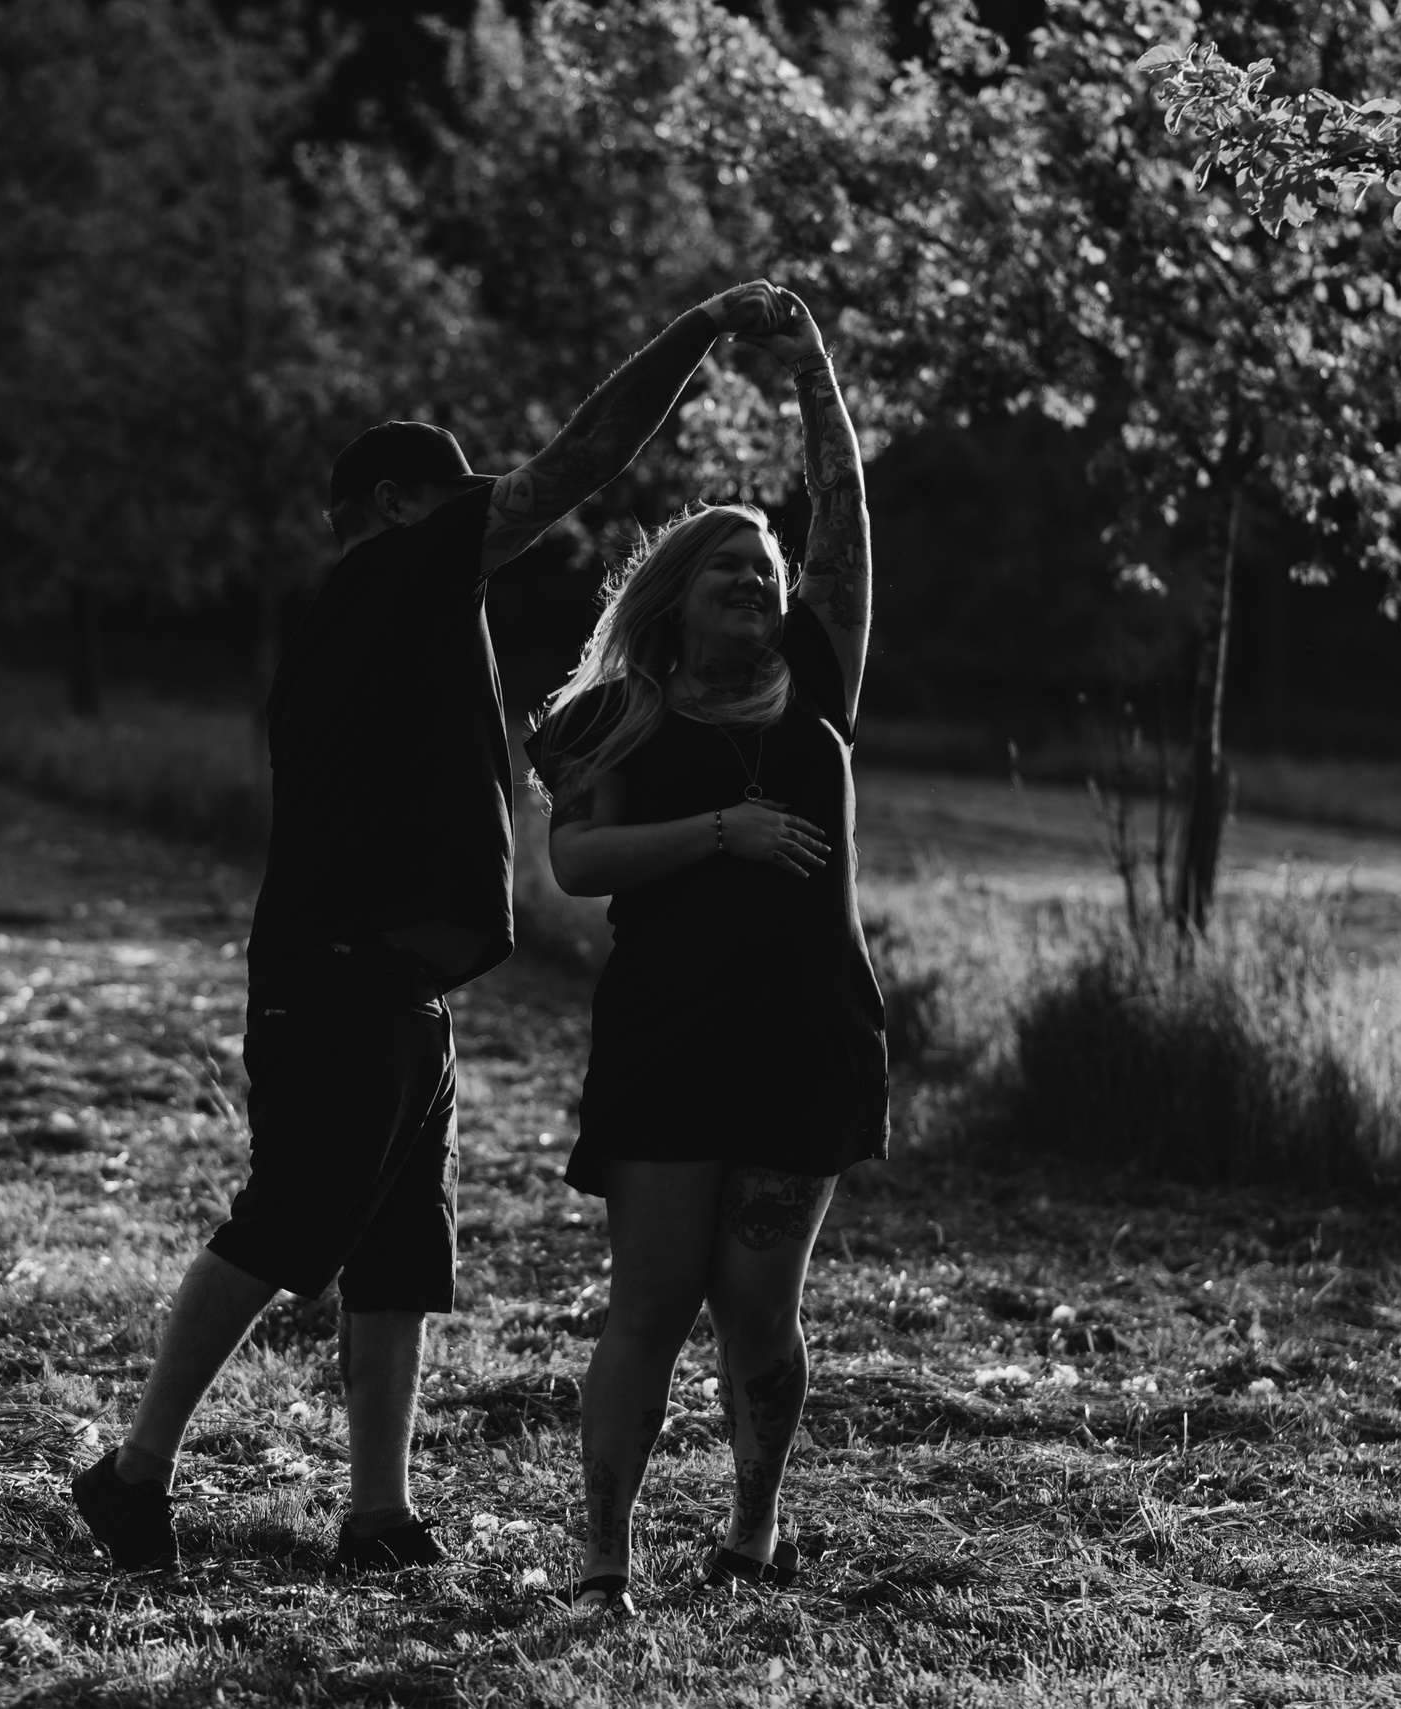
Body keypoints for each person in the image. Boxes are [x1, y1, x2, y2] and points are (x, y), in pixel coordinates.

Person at [69, 280, 800, 1576]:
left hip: (401, 989)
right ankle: (132, 1476)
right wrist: (698, 330)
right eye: (461, 498)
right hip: (341, 978)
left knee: (401, 1254)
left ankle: (379, 1513)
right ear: (398, 505)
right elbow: (580, 459)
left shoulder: (389, 623)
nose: (486, 518)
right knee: (286, 1220)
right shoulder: (392, 573)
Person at [524, 294, 881, 1614]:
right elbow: (578, 863)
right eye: (728, 566)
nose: (757, 580)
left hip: (806, 1033)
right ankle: (602, 1555)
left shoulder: (819, 681)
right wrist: (720, 831)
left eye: (766, 569)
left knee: (760, 1307)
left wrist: (811, 370)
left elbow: (844, 520)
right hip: (668, 1035)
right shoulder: (618, 713)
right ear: (675, 595)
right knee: (653, 1302)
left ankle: (752, 1530)